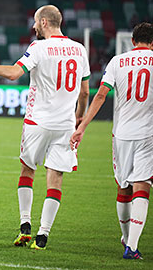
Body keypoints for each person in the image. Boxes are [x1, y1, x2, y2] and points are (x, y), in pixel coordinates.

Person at [0, 5, 90, 249]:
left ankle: (25, 225)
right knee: (56, 179)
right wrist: (78, 118)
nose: (33, 27)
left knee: (27, 170)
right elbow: (84, 91)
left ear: (43, 23)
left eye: (35, 22)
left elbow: (12, 74)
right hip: (65, 125)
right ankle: (43, 235)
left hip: (38, 122)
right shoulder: (80, 49)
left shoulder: (39, 48)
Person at [70, 22, 153, 260]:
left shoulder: (118, 61)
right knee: (142, 186)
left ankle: (127, 239)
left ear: (133, 40)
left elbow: (101, 94)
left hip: (121, 133)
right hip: (147, 133)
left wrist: (82, 126)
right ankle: (132, 246)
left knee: (123, 188)